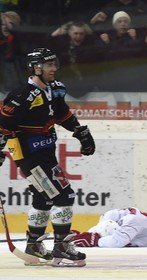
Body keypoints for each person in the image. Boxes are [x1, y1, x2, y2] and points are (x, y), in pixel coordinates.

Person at [0, 48, 95, 267]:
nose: (54, 68)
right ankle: (61, 245)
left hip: (46, 152)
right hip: (29, 155)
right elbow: (4, 126)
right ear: (36, 68)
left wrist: (79, 132)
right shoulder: (21, 95)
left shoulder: (56, 90)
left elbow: (62, 114)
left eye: (54, 64)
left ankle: (34, 246)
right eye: (48, 65)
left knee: (43, 198)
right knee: (64, 195)